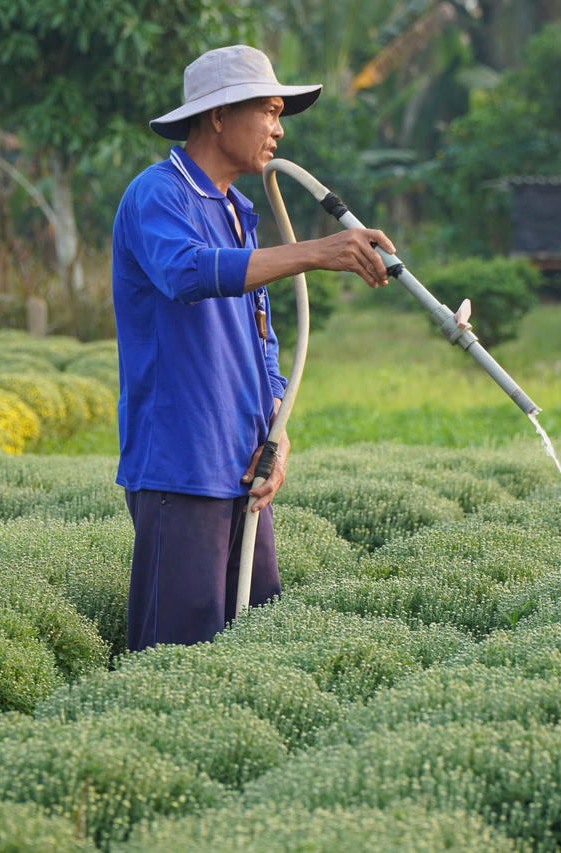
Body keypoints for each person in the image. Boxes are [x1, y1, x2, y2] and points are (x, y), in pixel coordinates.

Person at [112, 44, 394, 651]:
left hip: (243, 464)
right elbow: (186, 274)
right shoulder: (157, 195)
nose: (278, 128)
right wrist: (318, 252)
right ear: (217, 117)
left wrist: (277, 428)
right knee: (179, 652)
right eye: (267, 110)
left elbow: (261, 340)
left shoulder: (240, 212)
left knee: (255, 635)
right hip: (182, 465)